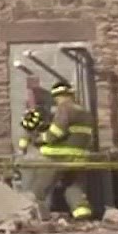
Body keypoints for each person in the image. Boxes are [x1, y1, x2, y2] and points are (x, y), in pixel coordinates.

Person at [16, 81, 97, 219]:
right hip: (79, 157)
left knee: (39, 190)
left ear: (57, 96)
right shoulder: (85, 112)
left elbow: (55, 134)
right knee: (73, 188)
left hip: (58, 158)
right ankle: (82, 215)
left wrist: (39, 138)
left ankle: (31, 216)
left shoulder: (65, 109)